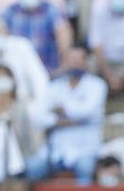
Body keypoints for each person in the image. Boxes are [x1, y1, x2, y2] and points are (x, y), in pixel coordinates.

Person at [26, 46, 104, 183]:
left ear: (86, 62)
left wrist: (62, 110)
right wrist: (62, 120)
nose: (74, 64)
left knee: (85, 169)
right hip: (57, 149)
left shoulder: (97, 85)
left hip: (85, 148)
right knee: (33, 168)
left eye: (77, 60)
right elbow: (38, 117)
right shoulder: (54, 86)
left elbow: (88, 112)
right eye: (70, 60)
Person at [0, 0, 71, 74]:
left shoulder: (50, 9)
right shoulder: (12, 10)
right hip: (18, 69)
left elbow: (63, 32)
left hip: (47, 68)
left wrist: (64, 59)